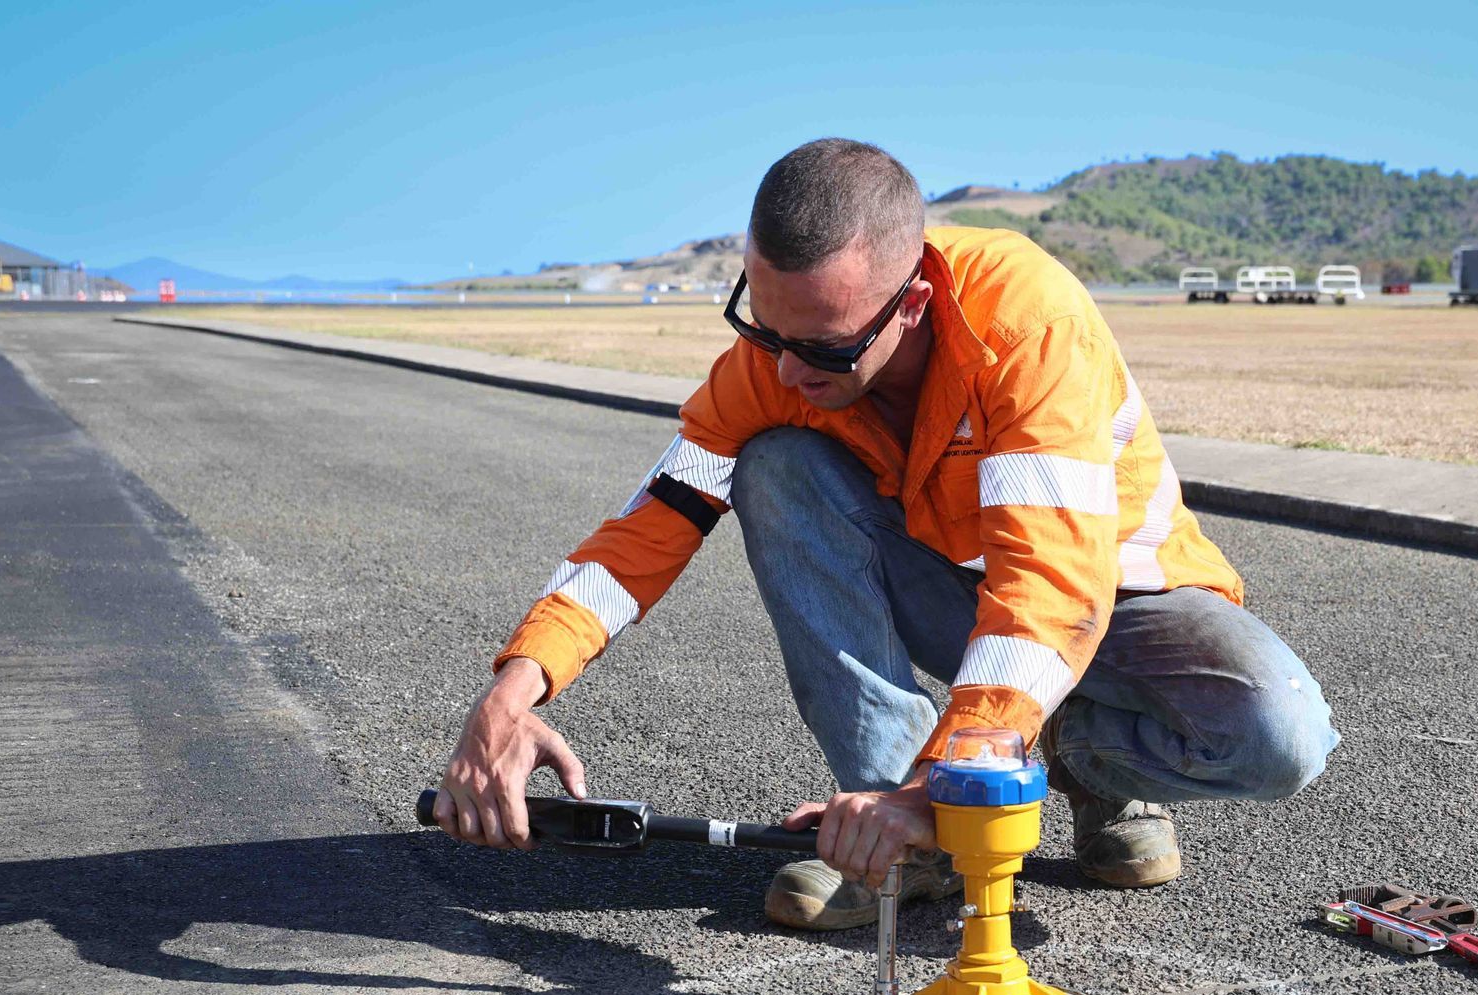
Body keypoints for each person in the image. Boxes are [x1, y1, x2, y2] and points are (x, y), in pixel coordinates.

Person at [434, 138, 1339, 931]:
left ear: (908, 305)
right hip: (960, 599)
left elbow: (1051, 583)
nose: (787, 369)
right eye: (764, 325)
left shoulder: (1026, 323)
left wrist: (949, 781)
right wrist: (517, 691)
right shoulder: (776, 362)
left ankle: (1060, 768)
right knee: (775, 466)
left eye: (824, 348)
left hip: (1120, 600)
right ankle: (909, 839)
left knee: (1276, 734)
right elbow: (653, 523)